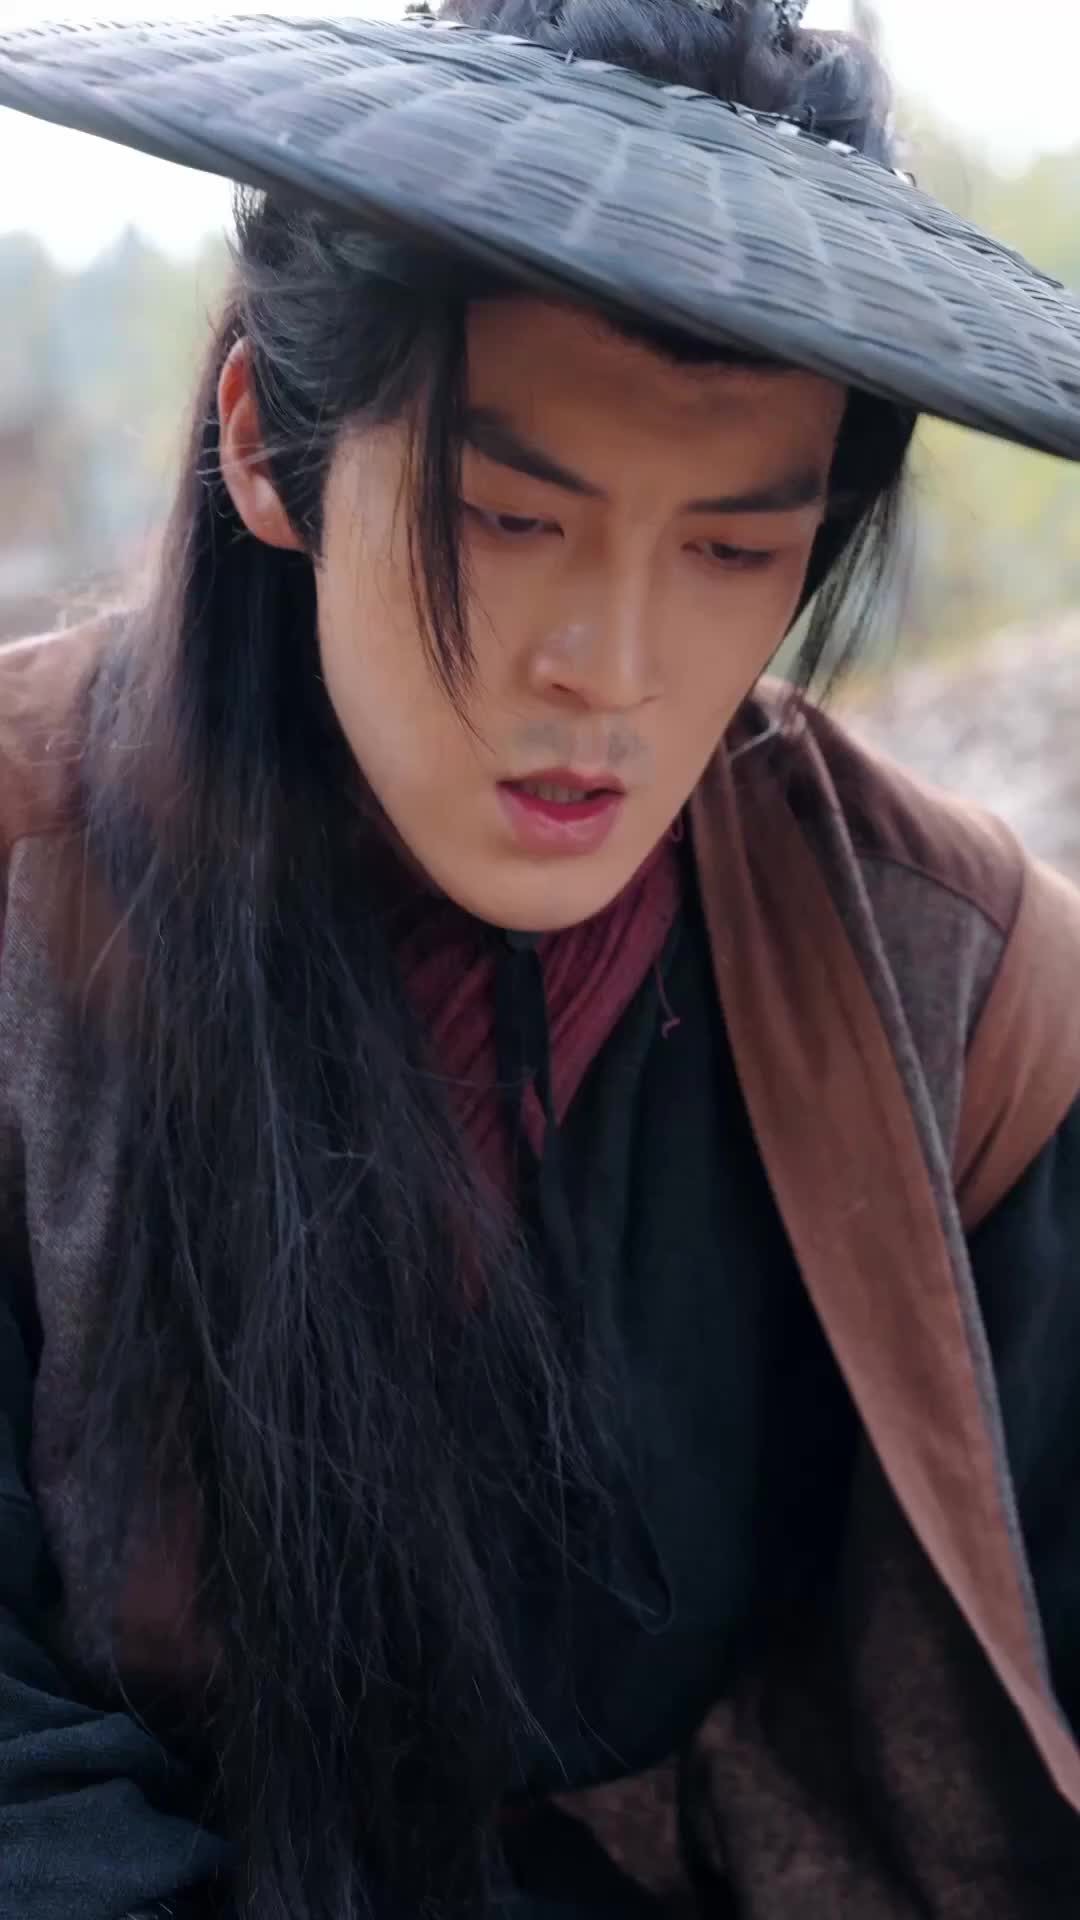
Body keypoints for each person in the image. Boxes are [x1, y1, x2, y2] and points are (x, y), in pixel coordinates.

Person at [0, 2, 1079, 1917]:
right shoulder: (25, 893)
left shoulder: (962, 1001)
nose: (612, 669)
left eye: (733, 551)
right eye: (508, 517)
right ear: (266, 446)